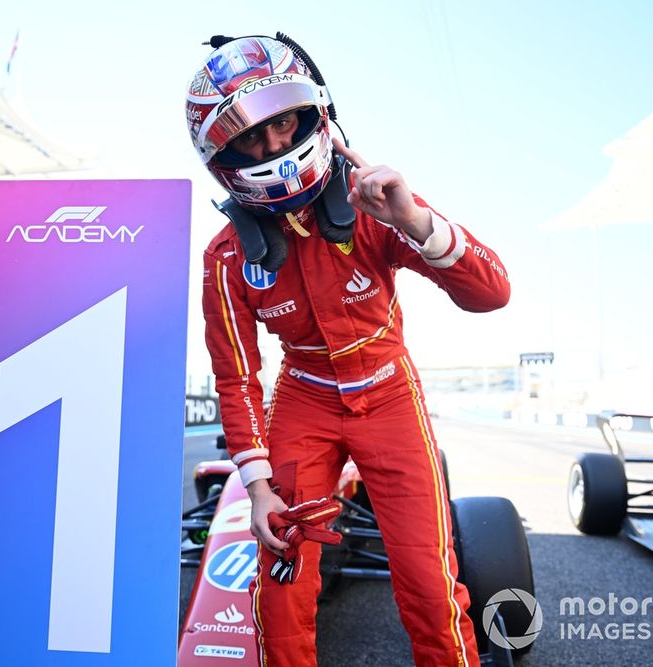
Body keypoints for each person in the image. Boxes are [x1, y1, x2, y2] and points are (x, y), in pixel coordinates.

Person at [188, 35, 510, 666]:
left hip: (391, 397)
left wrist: (413, 218)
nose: (275, 145)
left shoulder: (376, 205)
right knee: (280, 584)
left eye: (282, 121)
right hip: (302, 404)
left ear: (315, 115)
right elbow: (237, 380)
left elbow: (492, 293)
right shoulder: (225, 258)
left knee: (427, 582)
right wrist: (256, 488)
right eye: (250, 136)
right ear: (223, 154)